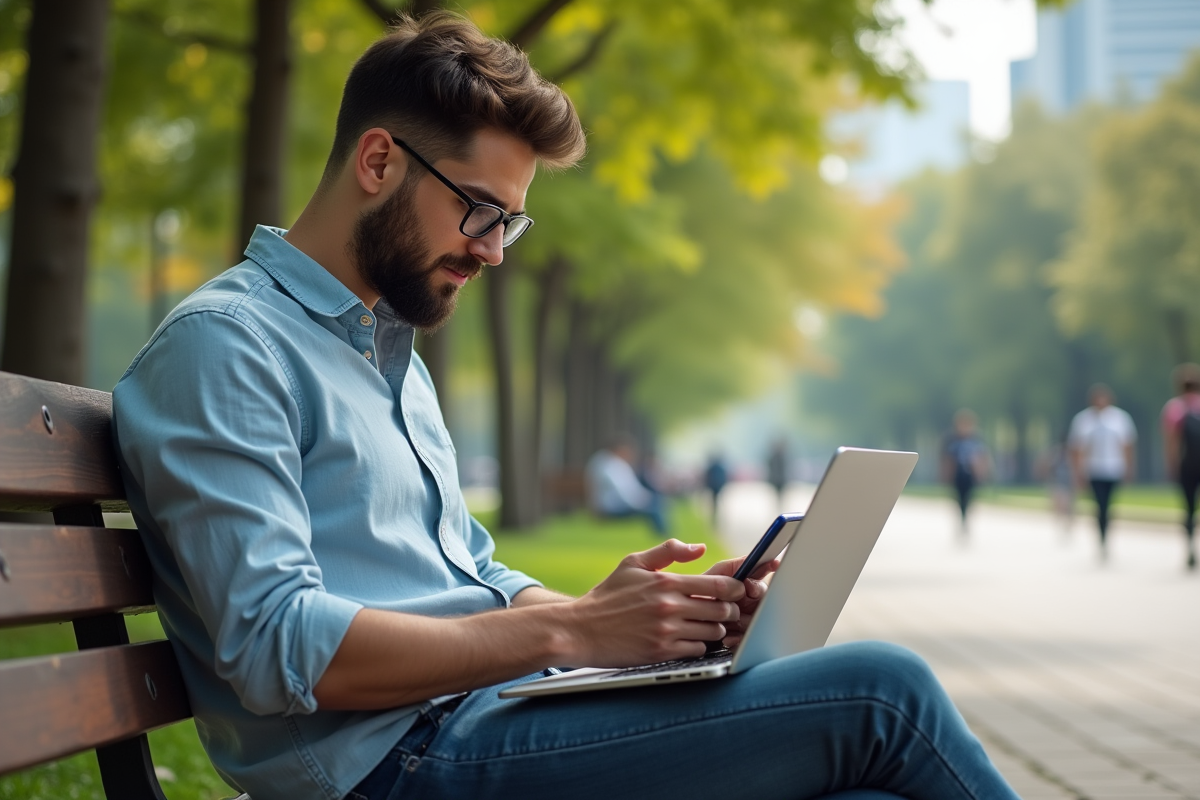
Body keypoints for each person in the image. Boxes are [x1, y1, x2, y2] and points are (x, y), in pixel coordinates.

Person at [112, 13, 1020, 800]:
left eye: (509, 222)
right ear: (379, 161)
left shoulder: (389, 356)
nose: (493, 251)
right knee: (882, 692)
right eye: (480, 211)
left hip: (474, 718)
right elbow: (275, 647)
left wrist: (635, 623)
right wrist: (572, 630)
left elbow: (470, 573)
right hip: (392, 768)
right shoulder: (228, 348)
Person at [1069, 384, 1136, 561]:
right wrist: (1077, 472)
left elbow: (1127, 445)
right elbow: (1076, 448)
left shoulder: (1120, 418)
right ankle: (1102, 536)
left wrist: (1129, 467)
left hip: (1113, 468)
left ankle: (1106, 533)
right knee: (1100, 504)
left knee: (1109, 505)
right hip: (1093, 469)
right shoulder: (1083, 420)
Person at [585, 435, 668, 535]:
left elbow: (630, 488)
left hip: (614, 505)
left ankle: (664, 535)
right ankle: (664, 535)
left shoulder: (608, 462)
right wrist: (641, 502)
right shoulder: (610, 464)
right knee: (653, 509)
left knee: (655, 502)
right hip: (611, 508)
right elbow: (622, 491)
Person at [1161, 363, 1200, 570]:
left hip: (1187, 465)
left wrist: (1172, 465)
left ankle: (1190, 545)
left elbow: (1172, 441)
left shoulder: (1175, 408)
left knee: (1189, 507)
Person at [940, 409, 990, 537]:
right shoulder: (952, 440)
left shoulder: (976, 440)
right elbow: (948, 459)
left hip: (970, 475)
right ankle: (962, 518)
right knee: (959, 498)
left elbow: (982, 457)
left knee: (969, 498)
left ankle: (965, 517)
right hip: (958, 475)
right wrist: (946, 475)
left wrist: (982, 473)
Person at [703, 452, 730, 526]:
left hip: (714, 488)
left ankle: (715, 517)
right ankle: (718, 517)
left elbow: (707, 478)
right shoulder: (720, 468)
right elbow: (724, 478)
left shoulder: (712, 468)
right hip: (718, 487)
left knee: (714, 503)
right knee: (719, 503)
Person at [766, 437, 789, 510]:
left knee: (779, 496)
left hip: (778, 480)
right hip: (778, 480)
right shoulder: (780, 457)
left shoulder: (776, 457)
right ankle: (778, 506)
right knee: (778, 496)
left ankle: (778, 506)